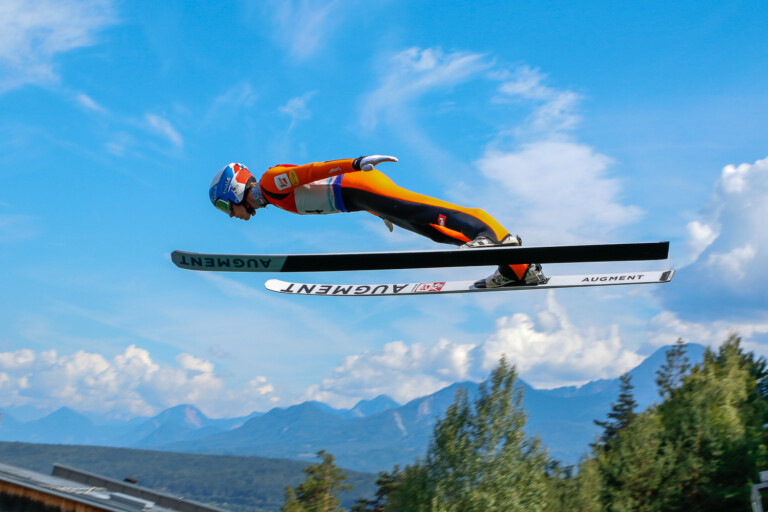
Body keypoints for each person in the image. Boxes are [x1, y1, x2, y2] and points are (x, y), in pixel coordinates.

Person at [208, 155, 545, 288]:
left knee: (432, 212)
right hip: (362, 198)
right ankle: (518, 269)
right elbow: (323, 191)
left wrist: (355, 163)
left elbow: (312, 171)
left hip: (362, 186)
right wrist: (378, 212)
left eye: (225, 207)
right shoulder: (272, 198)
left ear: (234, 190)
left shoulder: (270, 183)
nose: (231, 214)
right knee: (436, 231)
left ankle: (498, 240)